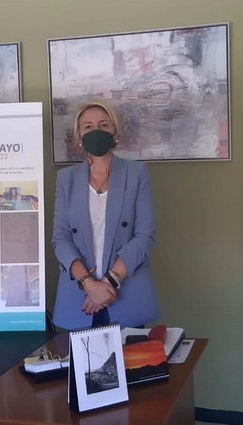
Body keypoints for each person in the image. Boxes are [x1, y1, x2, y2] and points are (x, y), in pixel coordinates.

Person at [51, 100, 160, 330]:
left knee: (131, 354)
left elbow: (145, 236)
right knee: (81, 355)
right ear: (79, 136)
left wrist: (108, 283)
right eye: (88, 127)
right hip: (79, 299)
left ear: (115, 132)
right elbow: (61, 239)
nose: (96, 131)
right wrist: (89, 285)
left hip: (126, 294)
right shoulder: (66, 179)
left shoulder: (136, 173)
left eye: (103, 125)